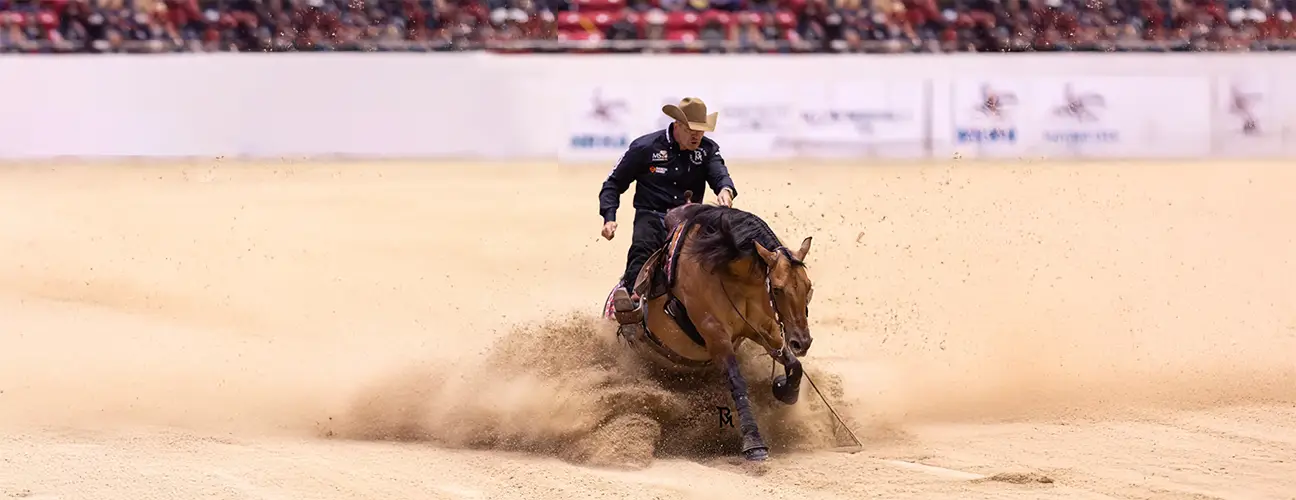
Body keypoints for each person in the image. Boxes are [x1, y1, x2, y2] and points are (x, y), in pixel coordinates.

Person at [599, 97, 738, 315]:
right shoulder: (644, 148)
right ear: (677, 125)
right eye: (692, 129)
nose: (697, 136)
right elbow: (613, 184)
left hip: (689, 218)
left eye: (701, 131)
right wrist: (609, 217)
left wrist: (725, 190)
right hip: (651, 214)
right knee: (643, 246)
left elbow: (720, 174)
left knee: (721, 250)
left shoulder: (708, 150)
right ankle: (630, 299)